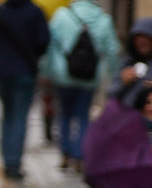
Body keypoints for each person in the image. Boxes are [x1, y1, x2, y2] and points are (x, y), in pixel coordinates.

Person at [0, 0, 50, 188]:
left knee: (8, 115)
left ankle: (8, 160)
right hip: (25, 71)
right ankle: (14, 163)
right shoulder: (35, 12)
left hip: (4, 73)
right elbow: (43, 41)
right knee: (19, 117)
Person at [42, 0, 120, 171]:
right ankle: (79, 154)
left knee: (65, 114)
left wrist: (46, 71)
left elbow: (49, 45)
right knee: (83, 115)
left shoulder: (62, 15)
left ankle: (65, 152)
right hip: (90, 76)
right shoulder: (104, 19)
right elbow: (113, 50)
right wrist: (115, 74)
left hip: (63, 74)